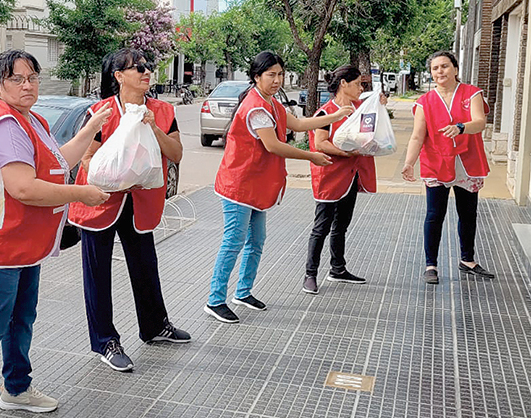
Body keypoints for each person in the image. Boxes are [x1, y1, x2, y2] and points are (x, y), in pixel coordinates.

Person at [0, 50, 112, 417]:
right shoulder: (4, 124)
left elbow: (58, 161)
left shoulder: (30, 119)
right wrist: (81, 194)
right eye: (16, 79)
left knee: (20, 318)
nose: (27, 85)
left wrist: (91, 126)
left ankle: (17, 389)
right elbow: (24, 188)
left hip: (21, 245)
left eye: (32, 77)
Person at [68, 48, 189, 373]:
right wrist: (117, 172)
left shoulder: (162, 110)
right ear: (119, 76)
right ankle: (105, 340)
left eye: (147, 67)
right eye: (137, 68)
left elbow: (176, 153)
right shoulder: (101, 112)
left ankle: (154, 326)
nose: (146, 72)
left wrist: (153, 129)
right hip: (100, 201)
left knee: (146, 265)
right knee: (98, 274)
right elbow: (87, 159)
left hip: (139, 203)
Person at [203, 51, 341, 324]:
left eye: (280, 74)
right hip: (239, 186)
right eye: (271, 75)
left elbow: (299, 123)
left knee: (256, 242)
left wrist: (336, 115)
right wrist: (312, 156)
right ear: (256, 77)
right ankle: (215, 300)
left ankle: (242, 292)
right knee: (234, 242)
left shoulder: (271, 103)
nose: (277, 80)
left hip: (255, 188)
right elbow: (273, 146)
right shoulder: (255, 107)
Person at [401, 51, 495, 284]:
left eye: (444, 66)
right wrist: (409, 162)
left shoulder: (472, 93)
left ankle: (467, 260)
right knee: (434, 215)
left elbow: (480, 122)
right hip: (437, 162)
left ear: (455, 69)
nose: (440, 71)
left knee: (468, 214)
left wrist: (461, 127)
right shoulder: (424, 102)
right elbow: (417, 136)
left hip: (467, 163)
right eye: (435, 68)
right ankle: (430, 265)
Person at [302, 65, 385, 295]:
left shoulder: (360, 109)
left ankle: (338, 268)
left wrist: (379, 104)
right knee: (322, 226)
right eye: (358, 83)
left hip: (351, 176)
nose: (361, 88)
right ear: (343, 84)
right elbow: (321, 143)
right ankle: (310, 274)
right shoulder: (325, 112)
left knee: (342, 224)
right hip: (330, 177)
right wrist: (348, 152)